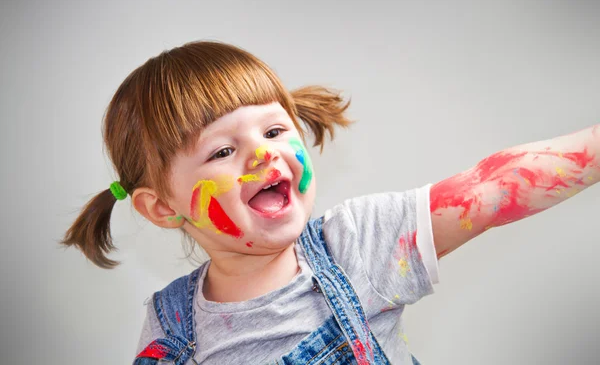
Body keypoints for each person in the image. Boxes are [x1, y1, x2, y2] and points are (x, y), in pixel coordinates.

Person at [62, 41, 599, 364]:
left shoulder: (359, 244)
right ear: (160, 208)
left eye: (274, 130)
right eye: (223, 150)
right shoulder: (170, 324)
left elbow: (494, 185)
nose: (262, 156)